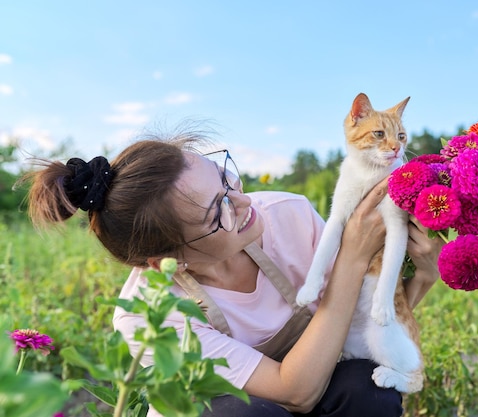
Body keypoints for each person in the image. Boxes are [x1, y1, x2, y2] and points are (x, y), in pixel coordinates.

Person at [25, 125, 443, 417]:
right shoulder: (147, 315)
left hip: (309, 387)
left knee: (364, 387)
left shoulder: (288, 215)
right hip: (252, 408)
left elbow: (360, 320)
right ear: (165, 261)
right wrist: (352, 255)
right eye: (217, 211)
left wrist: (421, 275)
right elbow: (293, 394)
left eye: (226, 179)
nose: (244, 204)